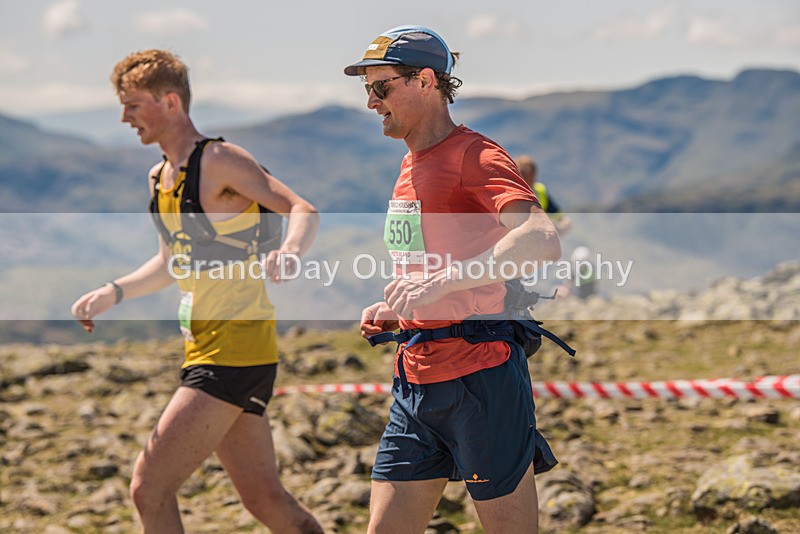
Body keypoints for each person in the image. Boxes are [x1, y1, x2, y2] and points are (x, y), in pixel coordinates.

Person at [70, 50, 322, 533]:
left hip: (233, 351)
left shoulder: (220, 161)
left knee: (148, 487)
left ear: (170, 102)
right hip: (206, 347)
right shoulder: (160, 177)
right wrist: (113, 292)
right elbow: (170, 262)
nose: (124, 117)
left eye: (133, 105)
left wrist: (290, 249)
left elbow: (301, 208)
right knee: (265, 499)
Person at [347, 26, 562, 533]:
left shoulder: (476, 155)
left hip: (480, 380)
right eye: (366, 89)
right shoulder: (409, 163)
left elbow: (540, 239)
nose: (371, 102)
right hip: (415, 380)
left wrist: (443, 285)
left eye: (382, 88)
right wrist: (400, 308)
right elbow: (430, 269)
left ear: (425, 81)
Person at [514, 154, 572, 235]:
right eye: (524, 174)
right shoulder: (512, 192)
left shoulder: (540, 190)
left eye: (531, 174)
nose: (529, 179)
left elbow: (559, 216)